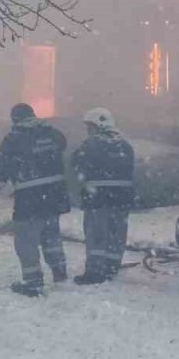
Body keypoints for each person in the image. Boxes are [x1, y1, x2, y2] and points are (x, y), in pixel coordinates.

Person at [0, 103, 71, 296]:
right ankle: (60, 273)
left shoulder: (14, 139)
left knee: (26, 240)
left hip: (30, 198)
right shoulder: (51, 133)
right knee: (51, 235)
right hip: (55, 195)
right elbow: (63, 143)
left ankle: (33, 282)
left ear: (15, 119)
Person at [71, 107, 136, 285]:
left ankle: (94, 272)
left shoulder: (90, 144)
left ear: (98, 126)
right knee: (116, 234)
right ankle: (112, 267)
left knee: (96, 235)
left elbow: (76, 163)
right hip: (121, 199)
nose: (88, 130)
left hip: (97, 199)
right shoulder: (125, 146)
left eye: (90, 127)